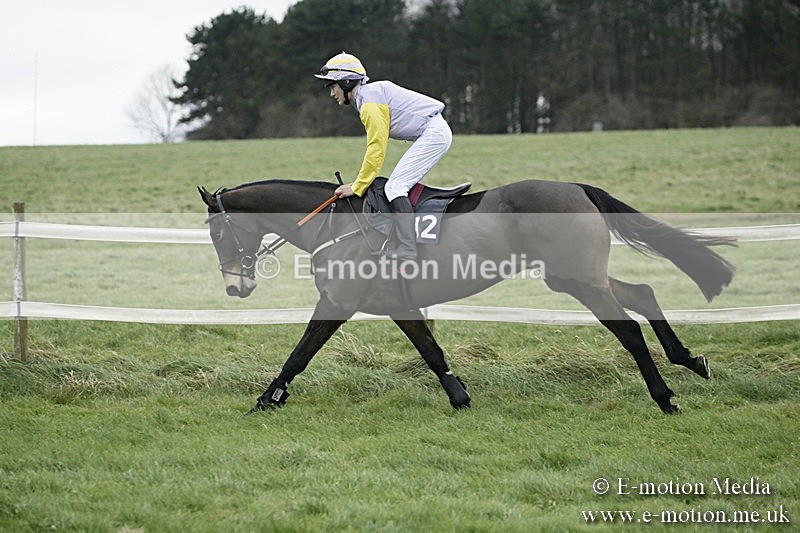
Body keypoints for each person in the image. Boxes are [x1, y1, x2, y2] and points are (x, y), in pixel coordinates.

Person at [315, 52, 453, 261]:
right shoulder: (368, 97)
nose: (332, 93)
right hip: (432, 132)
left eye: (332, 86)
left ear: (346, 82)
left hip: (434, 134)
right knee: (397, 185)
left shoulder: (370, 102)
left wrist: (357, 186)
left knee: (395, 187)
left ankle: (407, 250)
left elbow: (376, 148)